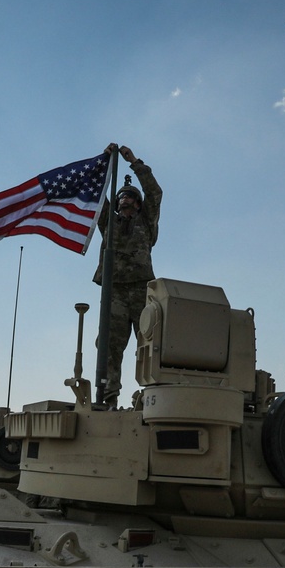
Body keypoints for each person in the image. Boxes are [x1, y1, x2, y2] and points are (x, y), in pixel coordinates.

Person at [93, 143, 162, 407]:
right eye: (121, 196)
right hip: (114, 290)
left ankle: (153, 397)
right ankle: (108, 396)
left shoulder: (146, 220)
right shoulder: (109, 221)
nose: (124, 200)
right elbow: (98, 196)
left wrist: (133, 161)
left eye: (130, 196)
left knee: (150, 344)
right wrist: (106, 161)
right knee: (109, 345)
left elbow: (155, 192)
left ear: (138, 203)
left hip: (143, 289)